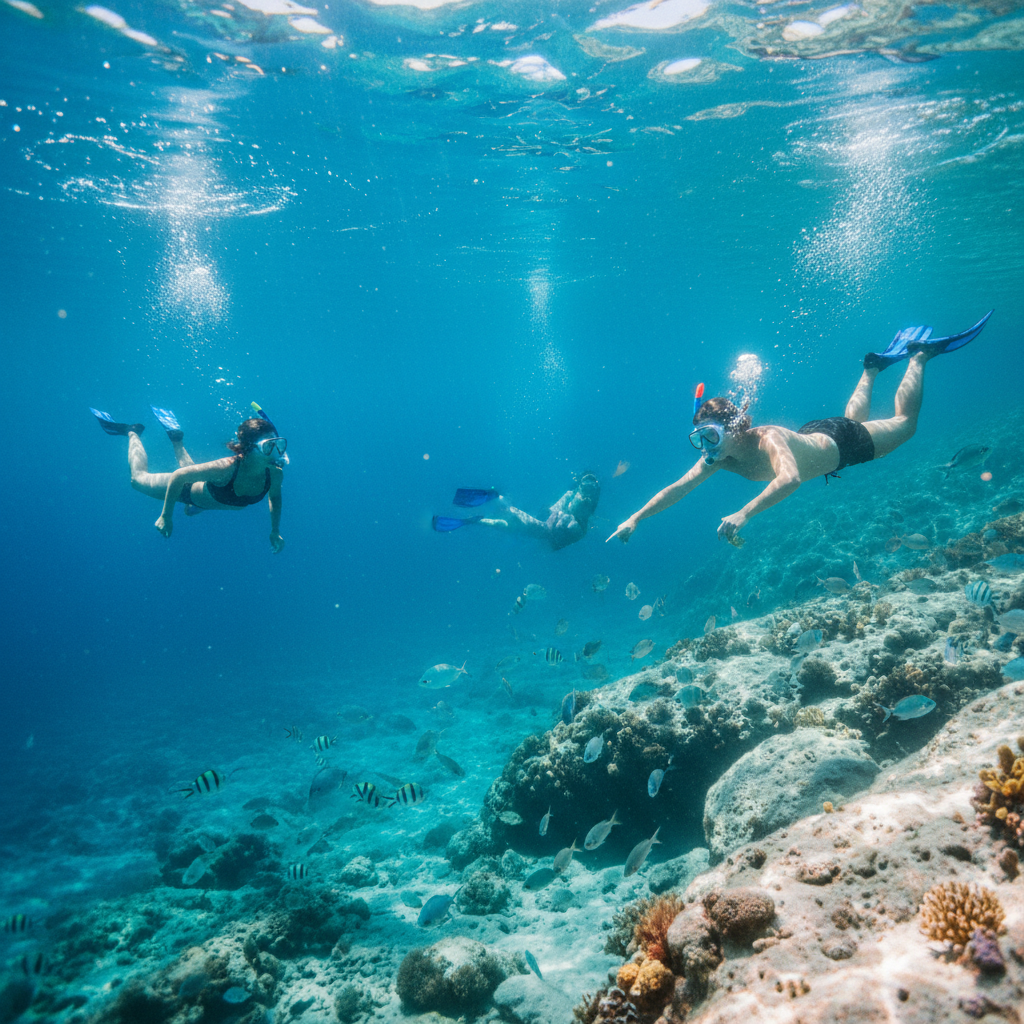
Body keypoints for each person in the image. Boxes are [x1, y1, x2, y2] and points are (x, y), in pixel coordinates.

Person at [607, 311, 992, 547]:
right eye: (700, 440)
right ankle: (871, 368)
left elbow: (790, 479)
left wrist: (743, 514)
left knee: (906, 426)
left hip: (842, 444)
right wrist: (635, 519)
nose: (705, 448)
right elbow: (677, 488)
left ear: (737, 430)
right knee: (855, 418)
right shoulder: (718, 458)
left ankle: (920, 356)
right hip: (819, 436)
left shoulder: (768, 438)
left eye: (711, 437)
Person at [90, 403, 286, 552]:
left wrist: (274, 530)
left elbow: (275, 498)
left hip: (211, 498)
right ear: (249, 449)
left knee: (193, 502)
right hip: (186, 491)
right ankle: (132, 432)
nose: (276, 451)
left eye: (279, 444)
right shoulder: (225, 469)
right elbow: (179, 476)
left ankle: (176, 437)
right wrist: (166, 516)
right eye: (269, 446)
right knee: (137, 480)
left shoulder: (275, 474)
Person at [433, 474, 600, 551]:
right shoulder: (576, 509)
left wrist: (562, 510)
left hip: (543, 531)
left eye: (587, 493)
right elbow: (557, 509)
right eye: (583, 490)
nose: (584, 495)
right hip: (541, 528)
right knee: (505, 524)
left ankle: (488, 506)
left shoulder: (577, 526)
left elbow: (556, 528)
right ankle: (475, 519)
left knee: (511, 515)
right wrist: (568, 497)